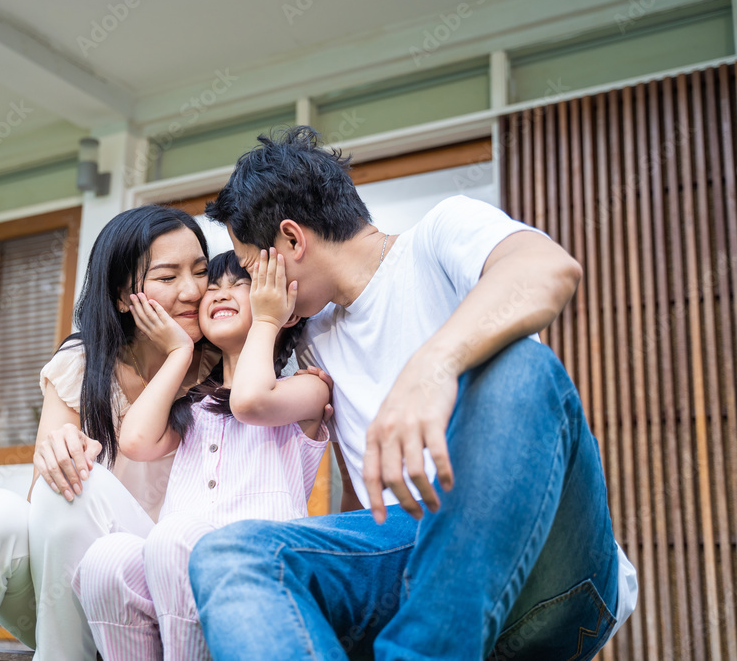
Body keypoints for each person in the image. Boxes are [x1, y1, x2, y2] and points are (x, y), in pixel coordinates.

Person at [188, 126, 639, 660]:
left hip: (545, 562)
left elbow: (545, 269)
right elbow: (360, 496)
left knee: (521, 364)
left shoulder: (441, 232)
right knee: (229, 554)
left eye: (251, 263)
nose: (252, 280)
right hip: (410, 554)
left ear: (291, 240)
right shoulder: (315, 334)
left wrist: (432, 368)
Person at [0, 205, 219, 661]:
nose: (192, 290)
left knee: (80, 479)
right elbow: (46, 510)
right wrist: (56, 453)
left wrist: (181, 354)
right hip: (68, 607)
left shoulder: (223, 366)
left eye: (201, 271)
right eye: (168, 277)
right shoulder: (83, 363)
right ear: (121, 296)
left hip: (165, 602)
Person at [73, 250, 331, 660]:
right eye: (213, 287)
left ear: (286, 310)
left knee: (172, 536)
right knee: (108, 560)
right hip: (173, 566)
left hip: (258, 567)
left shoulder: (303, 390)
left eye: (240, 285)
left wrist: (268, 319)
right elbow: (136, 441)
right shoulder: (193, 406)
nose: (219, 293)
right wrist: (180, 353)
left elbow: (250, 401)